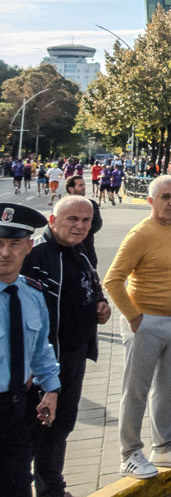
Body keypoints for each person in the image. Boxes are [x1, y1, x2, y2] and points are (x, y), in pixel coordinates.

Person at [102, 175, 171, 479]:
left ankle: (164, 446)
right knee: (136, 391)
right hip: (144, 323)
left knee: (167, 389)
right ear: (151, 201)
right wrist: (134, 319)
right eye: (165, 197)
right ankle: (129, 453)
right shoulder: (140, 235)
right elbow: (112, 279)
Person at [22, 197, 109, 497]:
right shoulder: (35, 255)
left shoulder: (79, 251)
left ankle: (52, 486)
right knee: (37, 431)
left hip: (74, 356)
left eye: (86, 221)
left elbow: (92, 287)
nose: (80, 226)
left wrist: (102, 305)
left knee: (62, 425)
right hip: (45, 363)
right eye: (72, 219)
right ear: (52, 220)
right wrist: (35, 368)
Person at [0, 203, 61, 494]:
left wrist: (51, 389)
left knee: (18, 486)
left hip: (15, 410)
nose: (4, 253)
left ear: (29, 246)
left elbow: (40, 348)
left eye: (14, 244)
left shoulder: (32, 294)